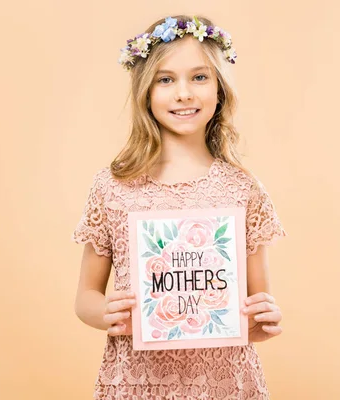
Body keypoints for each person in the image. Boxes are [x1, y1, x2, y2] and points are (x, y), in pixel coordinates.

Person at [72, 14, 287, 400]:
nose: (184, 93)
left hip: (225, 383)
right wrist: (107, 313)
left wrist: (263, 321)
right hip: (139, 382)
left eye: (199, 77)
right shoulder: (113, 187)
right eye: (166, 79)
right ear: (146, 92)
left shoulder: (242, 190)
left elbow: (254, 310)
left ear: (220, 88)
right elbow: (86, 297)